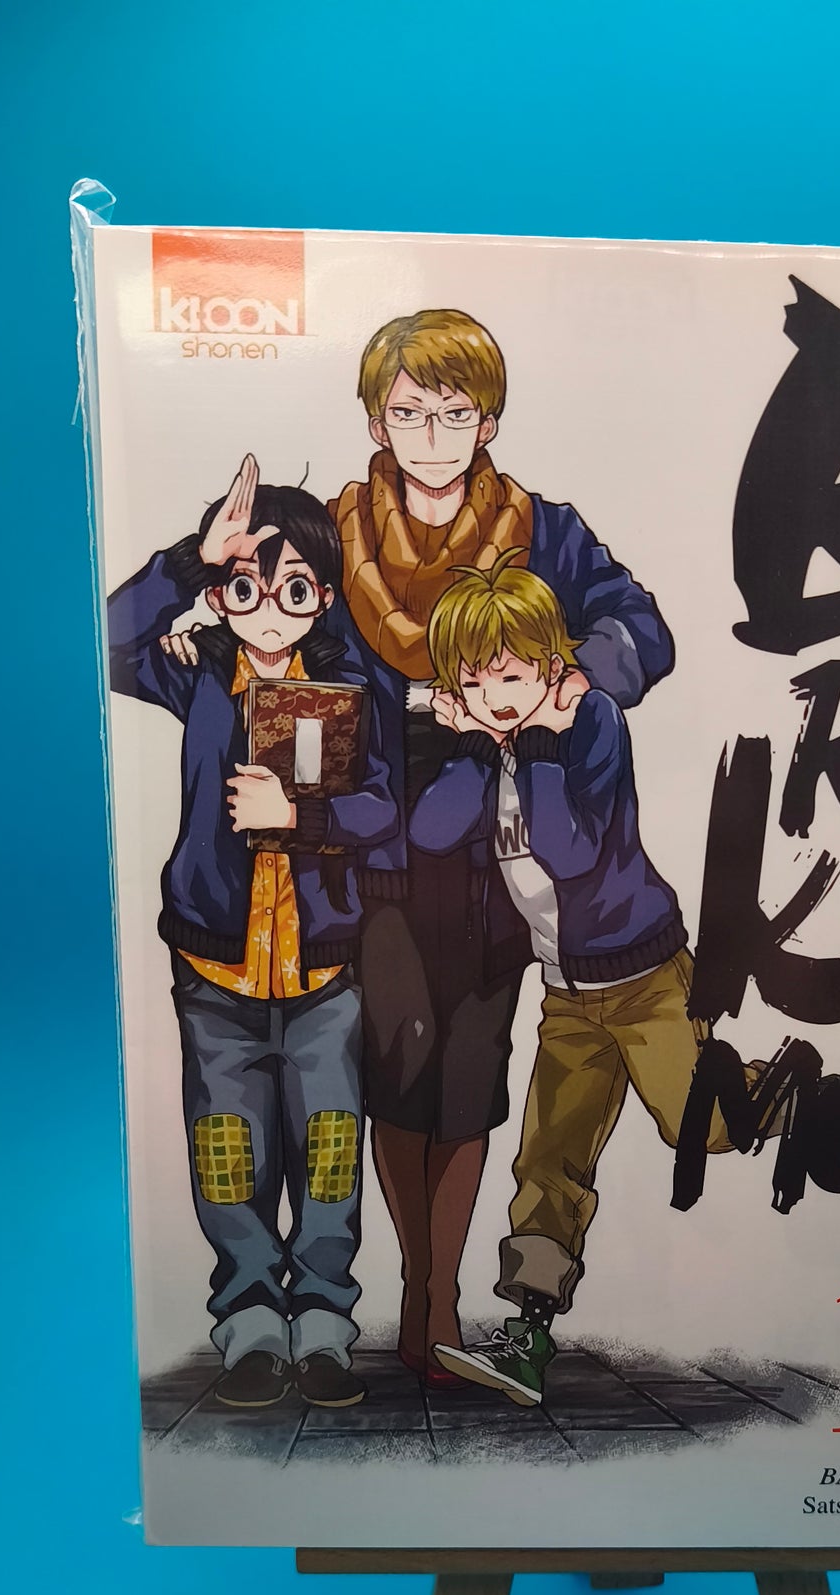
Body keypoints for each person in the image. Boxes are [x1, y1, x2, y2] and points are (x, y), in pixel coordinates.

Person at [326, 308, 673, 1383]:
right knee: (397, 1073)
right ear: (376, 422)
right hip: (384, 853)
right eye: (408, 414)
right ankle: (422, 1297)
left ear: (487, 421)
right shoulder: (332, 532)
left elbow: (642, 630)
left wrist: (571, 681)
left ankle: (439, 1305)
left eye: (454, 413)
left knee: (472, 1077)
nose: (431, 437)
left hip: (500, 863)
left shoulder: (544, 531)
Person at [106, 456, 396, 1411]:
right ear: (223, 595)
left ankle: (324, 1321)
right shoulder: (197, 672)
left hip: (323, 969)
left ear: (324, 598)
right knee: (227, 1150)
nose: (269, 610)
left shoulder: (354, 685)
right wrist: (192, 560)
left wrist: (299, 817)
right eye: (245, 587)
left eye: (295, 590)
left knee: (330, 1147)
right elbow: (104, 638)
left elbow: (385, 810)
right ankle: (250, 1322)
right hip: (216, 965)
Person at [410, 555, 730, 1406]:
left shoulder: (590, 724)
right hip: (568, 996)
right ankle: (528, 1332)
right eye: (474, 682)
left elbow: (572, 851)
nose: (495, 697)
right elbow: (435, 830)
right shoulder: (491, 743)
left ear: (553, 667)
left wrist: (541, 746)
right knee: (549, 1163)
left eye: (512, 677)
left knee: (702, 1125)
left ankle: (827, 1107)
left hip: (644, 978)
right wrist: (474, 747)